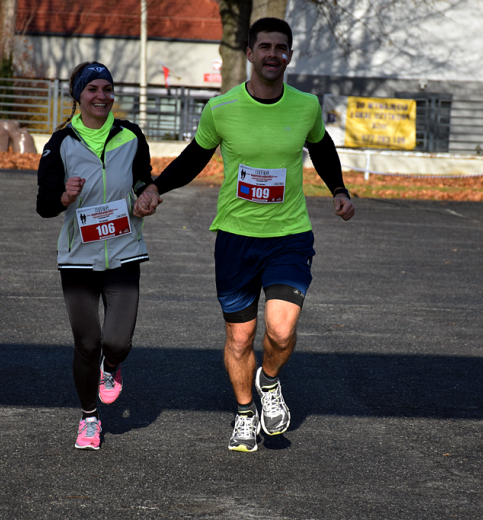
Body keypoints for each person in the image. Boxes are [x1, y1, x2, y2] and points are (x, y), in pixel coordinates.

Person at [134, 18, 355, 452]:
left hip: (289, 235)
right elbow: (195, 156)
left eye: (281, 47)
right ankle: (243, 413)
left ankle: (269, 382)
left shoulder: (306, 106)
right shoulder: (222, 109)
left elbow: (322, 147)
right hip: (235, 237)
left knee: (281, 330)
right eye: (265, 46)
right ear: (250, 54)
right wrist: (157, 185)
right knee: (239, 338)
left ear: (289, 55)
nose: (273, 54)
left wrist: (339, 190)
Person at [36, 62, 153, 450]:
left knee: (116, 343)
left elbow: (142, 179)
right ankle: (89, 418)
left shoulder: (131, 136)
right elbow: (44, 204)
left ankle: (113, 367)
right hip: (78, 259)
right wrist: (65, 197)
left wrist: (147, 197)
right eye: (93, 90)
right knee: (87, 344)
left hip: (124, 254)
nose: (102, 96)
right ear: (78, 96)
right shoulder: (59, 143)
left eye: (107, 88)